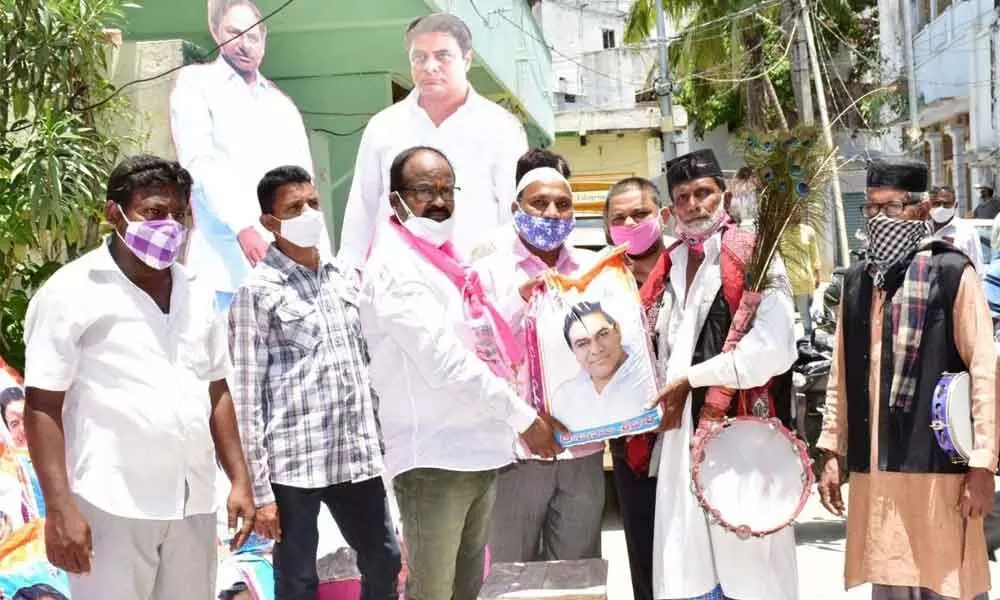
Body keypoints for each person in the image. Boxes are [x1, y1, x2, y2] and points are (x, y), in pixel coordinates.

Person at [20, 155, 256, 600]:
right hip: (110, 504)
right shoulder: (71, 292)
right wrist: (59, 508)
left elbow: (216, 388)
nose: (169, 224)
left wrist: (239, 480)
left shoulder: (196, 290)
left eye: (178, 214)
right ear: (115, 214)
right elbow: (41, 405)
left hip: (193, 502)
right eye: (153, 212)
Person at [359, 146, 561, 600]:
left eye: (447, 189)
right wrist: (524, 418)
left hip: (476, 453)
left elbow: (476, 339)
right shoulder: (396, 266)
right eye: (424, 190)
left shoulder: (443, 258)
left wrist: (519, 300)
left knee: (465, 591)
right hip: (434, 459)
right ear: (395, 201)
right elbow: (445, 361)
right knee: (433, 593)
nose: (439, 200)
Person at [817, 160, 997, 600]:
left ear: (918, 209)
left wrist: (983, 462)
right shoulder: (859, 280)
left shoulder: (952, 273)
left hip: (937, 469)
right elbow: (841, 373)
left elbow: (985, 371)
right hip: (878, 470)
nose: (878, 220)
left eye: (890, 208)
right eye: (872, 210)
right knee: (891, 578)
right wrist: (832, 448)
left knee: (947, 581)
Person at [228, 166, 401, 600]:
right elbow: (246, 398)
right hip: (293, 466)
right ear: (270, 222)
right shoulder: (258, 291)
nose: (308, 213)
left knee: (385, 558)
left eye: (313, 203)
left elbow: (365, 366)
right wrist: (261, 491)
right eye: (294, 207)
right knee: (298, 577)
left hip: (354, 456)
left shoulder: (341, 278)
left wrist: (382, 445)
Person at [646, 149, 798, 600]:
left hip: (739, 438)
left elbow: (774, 348)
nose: (695, 204)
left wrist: (693, 378)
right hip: (679, 441)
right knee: (686, 565)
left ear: (724, 195)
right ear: (671, 208)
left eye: (704, 192)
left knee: (749, 571)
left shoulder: (756, 254)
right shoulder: (667, 264)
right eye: (683, 196)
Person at [474, 151, 604, 563]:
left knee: (578, 574)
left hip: (582, 447)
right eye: (539, 203)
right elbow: (479, 355)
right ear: (517, 208)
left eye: (562, 205)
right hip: (516, 450)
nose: (551, 213)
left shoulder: (592, 269)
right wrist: (521, 304)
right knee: (511, 574)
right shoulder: (488, 271)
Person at [340, 13, 528, 270]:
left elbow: (513, 215)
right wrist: (350, 274)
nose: (430, 66)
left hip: (477, 285)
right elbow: (362, 208)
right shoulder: (383, 127)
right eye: (419, 57)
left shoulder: (502, 128)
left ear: (466, 60)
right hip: (397, 284)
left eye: (442, 56)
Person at [170, 0, 316, 312]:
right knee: (220, 360)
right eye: (234, 32)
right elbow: (200, 163)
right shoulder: (197, 85)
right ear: (216, 31)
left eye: (252, 35)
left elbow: (305, 188)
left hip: (285, 272)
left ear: (263, 39)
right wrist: (243, 227)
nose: (244, 43)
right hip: (223, 268)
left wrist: (318, 257)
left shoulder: (282, 106)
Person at [601, 176, 672, 600]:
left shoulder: (689, 268)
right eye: (619, 217)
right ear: (607, 227)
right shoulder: (599, 281)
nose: (630, 223)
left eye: (640, 214)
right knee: (646, 556)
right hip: (632, 446)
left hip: (690, 439)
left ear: (661, 216)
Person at [550, 302, 648, 430]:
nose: (596, 349)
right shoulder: (564, 398)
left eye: (602, 334)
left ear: (617, 330)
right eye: (582, 343)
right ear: (573, 351)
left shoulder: (647, 374)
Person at [778, 219, 822, 338]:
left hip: (803, 279)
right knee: (787, 313)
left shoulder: (808, 231)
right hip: (785, 281)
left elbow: (815, 255)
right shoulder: (780, 232)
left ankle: (808, 338)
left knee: (804, 312)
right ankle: (788, 342)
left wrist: (817, 274)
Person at [930, 185, 984, 271]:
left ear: (955, 205)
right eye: (936, 204)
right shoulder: (922, 229)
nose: (941, 208)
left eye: (946, 204)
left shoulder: (967, 231)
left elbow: (977, 267)